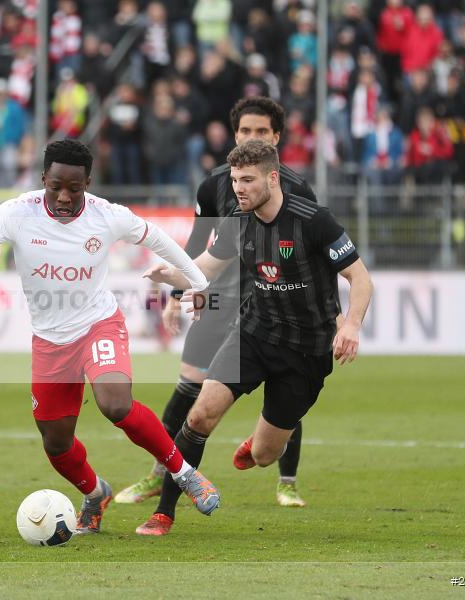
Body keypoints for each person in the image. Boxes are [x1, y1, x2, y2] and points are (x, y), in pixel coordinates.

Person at [0, 139, 220, 534]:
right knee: (56, 443)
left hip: (98, 324)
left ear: (88, 183)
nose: (63, 196)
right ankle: (95, 493)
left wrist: (197, 282)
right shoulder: (16, 213)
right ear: (43, 178)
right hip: (49, 341)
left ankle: (184, 473)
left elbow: (159, 240)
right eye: (55, 185)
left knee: (115, 403)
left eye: (74, 188)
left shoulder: (106, 216)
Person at [136, 140, 373, 535]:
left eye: (247, 180)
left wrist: (350, 325)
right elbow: (205, 268)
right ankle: (164, 512)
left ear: (273, 178)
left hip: (307, 352)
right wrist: (172, 275)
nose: (238, 188)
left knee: (265, 455)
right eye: (234, 180)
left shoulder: (313, 220)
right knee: (199, 416)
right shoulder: (237, 220)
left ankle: (260, 442)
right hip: (253, 334)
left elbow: (359, 277)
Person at [116, 97, 319, 509]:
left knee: (283, 386)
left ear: (276, 137)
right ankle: (161, 474)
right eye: (246, 131)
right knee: (189, 384)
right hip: (219, 297)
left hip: (271, 305)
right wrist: (178, 292)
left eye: (262, 132)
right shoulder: (214, 185)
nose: (253, 137)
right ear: (235, 134)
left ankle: (287, 480)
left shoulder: (297, 189)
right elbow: (197, 243)